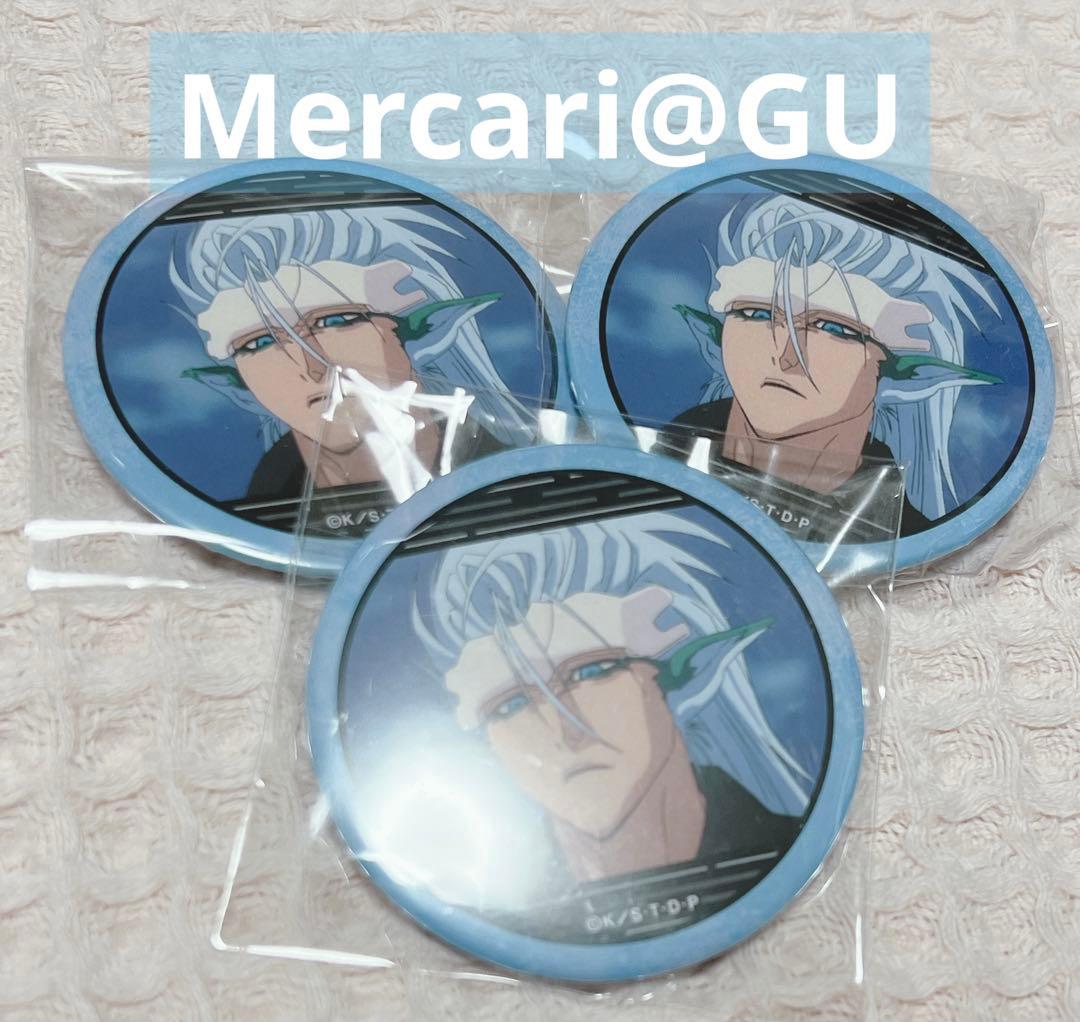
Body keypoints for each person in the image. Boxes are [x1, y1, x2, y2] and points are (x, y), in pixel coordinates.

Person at [416, 511, 811, 889]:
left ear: (680, 673)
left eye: (590, 672)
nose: (564, 730)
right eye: (509, 705)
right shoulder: (480, 888)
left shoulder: (789, 848)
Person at [666, 195, 1003, 533]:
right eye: (755, 313)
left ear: (909, 378)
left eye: (835, 328)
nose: (787, 355)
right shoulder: (655, 459)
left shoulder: (902, 534)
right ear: (716, 340)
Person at [170, 205, 535, 503]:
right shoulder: (256, 507)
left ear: (425, 332)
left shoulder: (521, 483)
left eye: (335, 321)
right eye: (258, 343)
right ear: (240, 387)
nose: (311, 365)